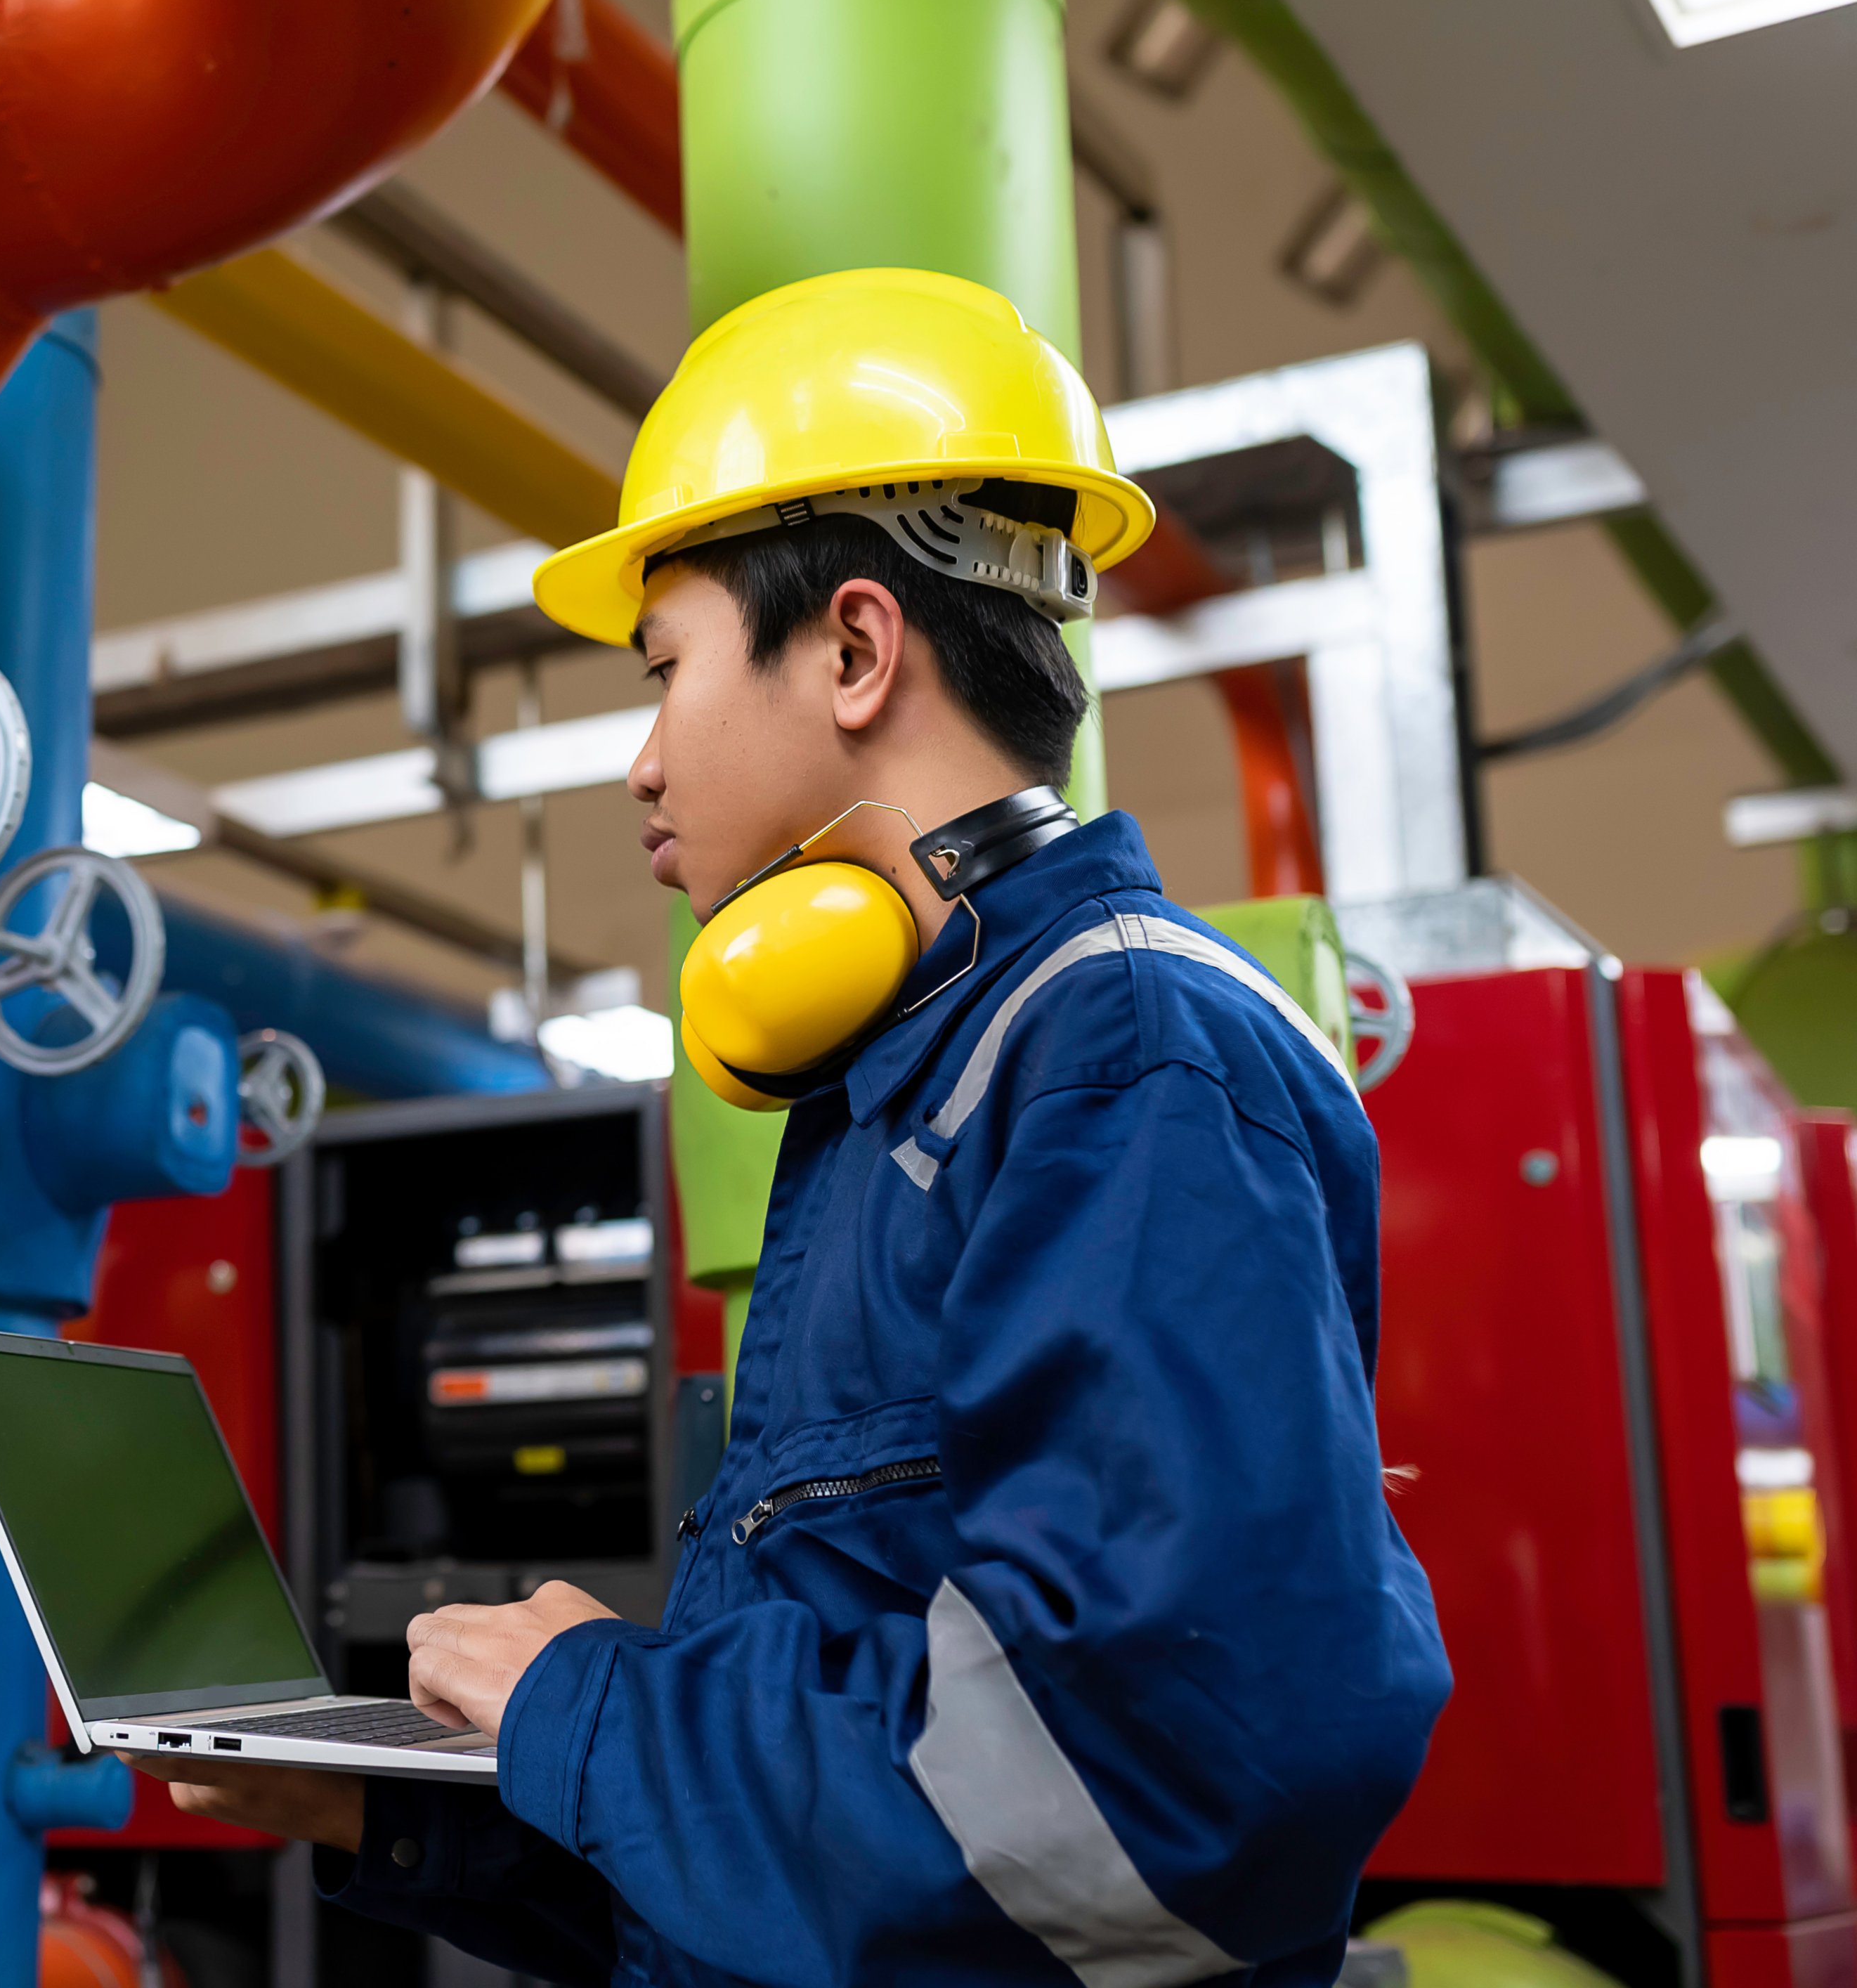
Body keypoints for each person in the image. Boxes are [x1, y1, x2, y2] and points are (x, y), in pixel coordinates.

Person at [129, 268, 1447, 1987]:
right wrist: (404, 1813)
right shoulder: (922, 1069)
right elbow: (849, 1876)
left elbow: (1140, 1807)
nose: (641, 763)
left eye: (662, 670)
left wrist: (587, 1705)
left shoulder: (1114, 1054)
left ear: (848, 647)